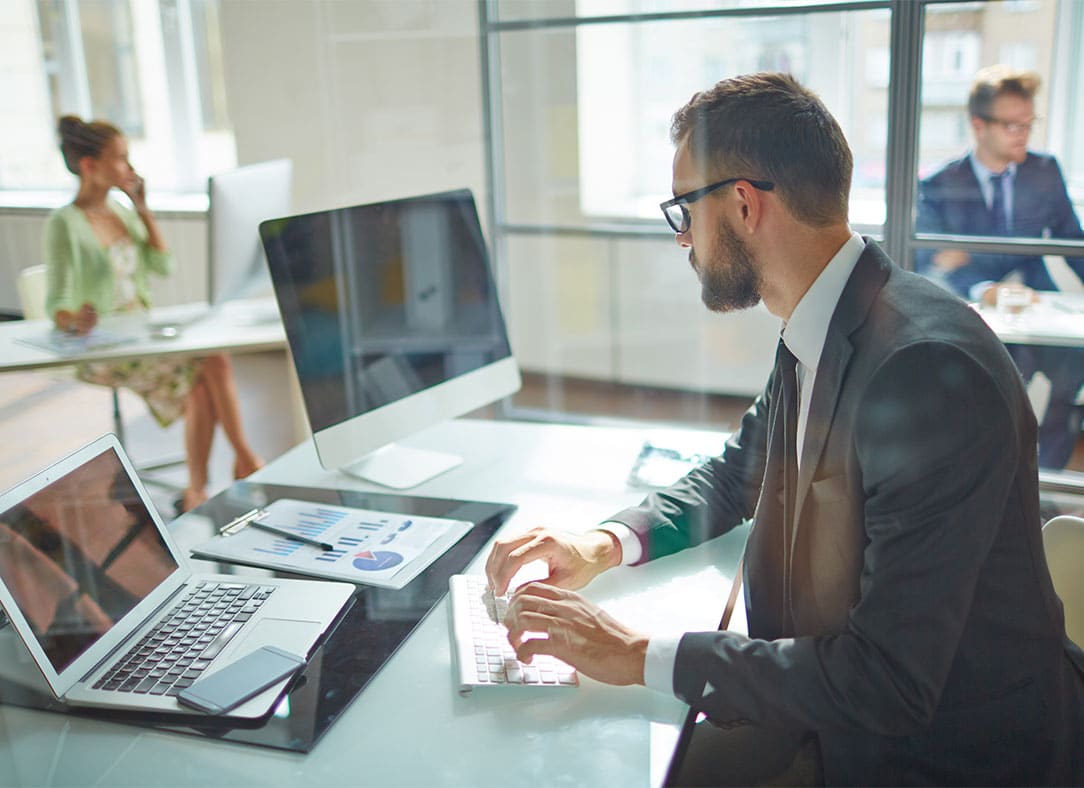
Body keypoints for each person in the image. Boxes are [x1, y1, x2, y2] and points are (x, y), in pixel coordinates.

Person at [485, 73, 1084, 785]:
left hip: (942, 758)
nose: (681, 240)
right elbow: (745, 469)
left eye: (684, 210)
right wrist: (603, 542)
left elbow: (887, 682)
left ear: (742, 204)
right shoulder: (828, 316)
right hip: (834, 716)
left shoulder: (922, 371)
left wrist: (633, 653)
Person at [43, 115, 263, 512]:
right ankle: (242, 461)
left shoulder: (122, 212)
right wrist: (77, 319)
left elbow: (163, 267)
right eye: (121, 158)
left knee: (209, 368)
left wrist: (143, 209)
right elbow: (55, 304)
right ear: (91, 166)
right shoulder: (65, 223)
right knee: (210, 365)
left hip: (140, 333)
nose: (130, 168)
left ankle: (200, 489)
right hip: (100, 347)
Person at [915, 65, 1084, 469]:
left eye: (1028, 124)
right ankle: (985, 477)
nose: (1023, 134)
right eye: (1012, 125)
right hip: (973, 308)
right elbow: (930, 261)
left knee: (1074, 366)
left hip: (1035, 302)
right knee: (984, 393)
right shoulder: (940, 183)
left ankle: (1043, 479)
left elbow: (1072, 242)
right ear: (979, 125)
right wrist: (982, 286)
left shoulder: (1043, 172)